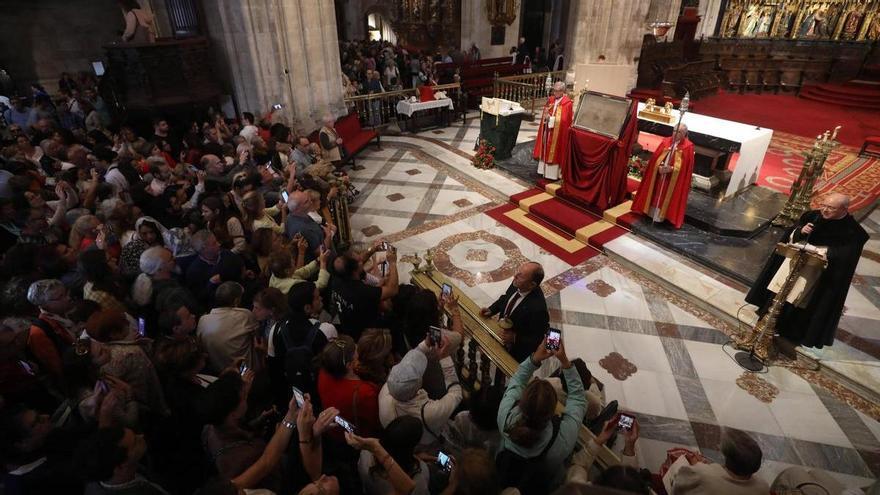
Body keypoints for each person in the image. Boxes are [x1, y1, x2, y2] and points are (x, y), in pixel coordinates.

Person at [745, 193, 868, 350]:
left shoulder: (853, 232)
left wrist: (822, 251)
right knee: (781, 292)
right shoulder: (812, 216)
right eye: (824, 205)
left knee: (801, 300)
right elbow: (790, 234)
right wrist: (800, 231)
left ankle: (791, 331)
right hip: (795, 264)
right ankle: (769, 320)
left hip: (818, 275)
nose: (825, 210)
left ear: (844, 209)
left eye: (831, 208)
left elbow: (846, 257)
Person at [496, 338, 586, 492]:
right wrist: (564, 361)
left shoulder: (505, 417)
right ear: (553, 411)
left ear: (522, 401)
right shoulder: (561, 441)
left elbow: (517, 380)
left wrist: (535, 358)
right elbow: (578, 399)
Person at [378, 337, 462, 445]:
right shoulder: (429, 413)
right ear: (418, 386)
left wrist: (425, 344)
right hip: (426, 446)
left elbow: (406, 366)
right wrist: (445, 358)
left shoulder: (386, 391)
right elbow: (456, 393)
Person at [480, 261, 549, 362]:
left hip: (515, 352)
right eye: (518, 272)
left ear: (532, 284)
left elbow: (538, 338)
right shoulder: (517, 283)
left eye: (520, 276)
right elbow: (506, 298)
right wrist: (491, 310)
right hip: (500, 336)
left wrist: (515, 338)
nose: (514, 276)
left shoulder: (538, 308)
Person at [630, 123, 694, 229]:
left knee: (666, 195)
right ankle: (649, 213)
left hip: (673, 179)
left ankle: (663, 217)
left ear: (684, 133)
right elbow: (655, 158)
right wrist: (658, 167)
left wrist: (673, 169)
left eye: (679, 132)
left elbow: (686, 168)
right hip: (659, 175)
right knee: (655, 192)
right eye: (674, 131)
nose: (675, 134)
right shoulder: (666, 141)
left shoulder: (688, 147)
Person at [669, 428, 769, 495]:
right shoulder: (763, 487)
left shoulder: (700, 474)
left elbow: (676, 489)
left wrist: (698, 467)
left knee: (675, 458)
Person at [196, 281, 260, 373]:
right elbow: (257, 337)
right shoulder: (244, 315)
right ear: (236, 301)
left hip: (217, 372)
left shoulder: (203, 320)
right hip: (246, 373)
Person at [532, 82, 573, 181]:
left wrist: (550, 118)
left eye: (557, 91)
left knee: (555, 150)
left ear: (563, 91)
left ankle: (552, 174)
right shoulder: (551, 99)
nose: (555, 93)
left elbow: (564, 120)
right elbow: (546, 112)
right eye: (554, 90)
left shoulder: (567, 103)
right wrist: (545, 115)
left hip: (558, 133)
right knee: (545, 146)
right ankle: (542, 170)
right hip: (548, 130)